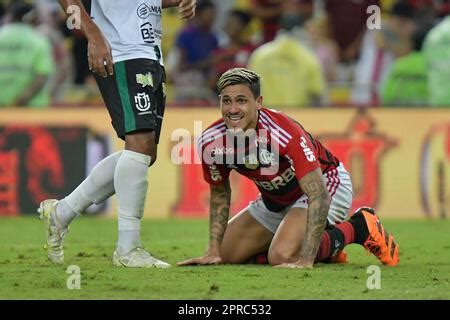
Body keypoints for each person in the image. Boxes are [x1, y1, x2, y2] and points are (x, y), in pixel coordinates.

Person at [178, 68, 399, 268]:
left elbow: (318, 195)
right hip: (275, 200)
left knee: (282, 256)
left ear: (258, 102)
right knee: (227, 255)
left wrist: (306, 260)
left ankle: (359, 227)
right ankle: (325, 247)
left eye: (241, 101)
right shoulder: (211, 141)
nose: (233, 109)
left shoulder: (283, 133)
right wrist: (213, 251)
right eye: (226, 101)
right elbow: (220, 194)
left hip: (327, 185)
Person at [37, 0, 196, 268]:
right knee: (139, 144)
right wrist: (93, 34)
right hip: (120, 52)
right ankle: (128, 249)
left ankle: (61, 212)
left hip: (150, 53)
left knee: (144, 153)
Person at [0, 2, 54, 108]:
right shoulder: (39, 41)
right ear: (32, 18)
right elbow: (41, 76)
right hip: (31, 111)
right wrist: (18, 103)